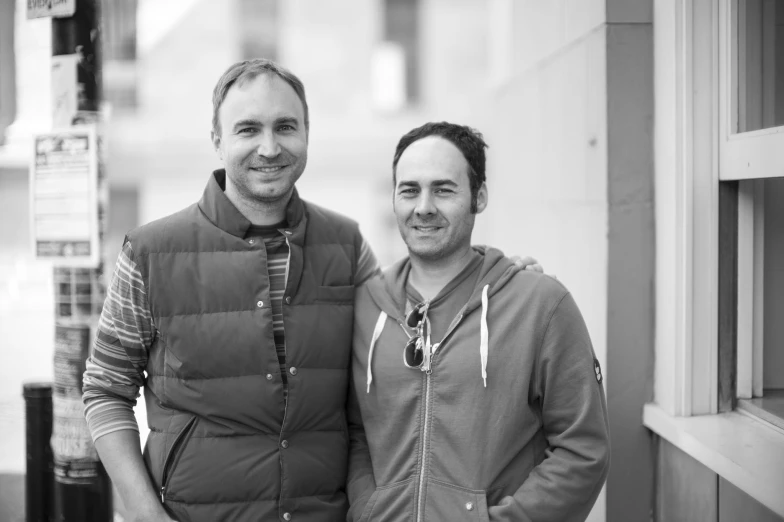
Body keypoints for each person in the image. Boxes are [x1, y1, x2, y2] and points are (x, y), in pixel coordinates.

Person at [81, 59, 381, 522]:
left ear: (306, 133)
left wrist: (498, 280)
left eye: (285, 126)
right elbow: (105, 390)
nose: (269, 147)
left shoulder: (348, 246)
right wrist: (145, 515)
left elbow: (405, 341)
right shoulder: (150, 253)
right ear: (218, 141)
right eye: (247, 129)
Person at [346, 122, 611, 522]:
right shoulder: (365, 306)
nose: (424, 207)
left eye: (444, 189)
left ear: (479, 196)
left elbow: (583, 447)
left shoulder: (540, 304)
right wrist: (369, 508)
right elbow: (354, 433)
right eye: (409, 190)